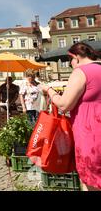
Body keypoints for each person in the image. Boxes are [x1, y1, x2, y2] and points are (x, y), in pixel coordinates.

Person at [40, 42, 101, 191]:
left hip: (90, 134)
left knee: (91, 181)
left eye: (70, 61)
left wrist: (50, 91)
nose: (70, 65)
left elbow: (64, 105)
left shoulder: (81, 72)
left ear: (75, 57)